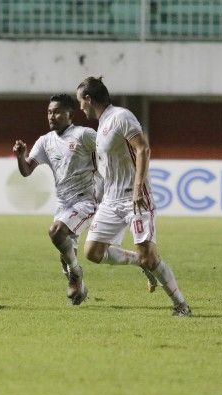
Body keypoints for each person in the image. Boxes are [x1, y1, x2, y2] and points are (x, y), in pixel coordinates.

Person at [76, 76, 192, 316]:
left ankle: (181, 305)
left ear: (88, 99)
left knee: (151, 258)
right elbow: (109, 166)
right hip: (111, 199)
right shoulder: (103, 125)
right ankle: (138, 261)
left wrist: (139, 187)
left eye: (80, 102)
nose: (80, 108)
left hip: (135, 200)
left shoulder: (121, 116)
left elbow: (143, 149)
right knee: (92, 252)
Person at [13, 94, 97, 305]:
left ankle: (76, 274)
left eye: (57, 112)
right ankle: (79, 288)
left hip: (86, 200)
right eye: (49, 112)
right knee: (66, 256)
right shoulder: (45, 141)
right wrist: (20, 156)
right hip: (63, 204)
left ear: (70, 114)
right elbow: (26, 171)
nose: (52, 116)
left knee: (56, 231)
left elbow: (107, 154)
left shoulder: (84, 135)